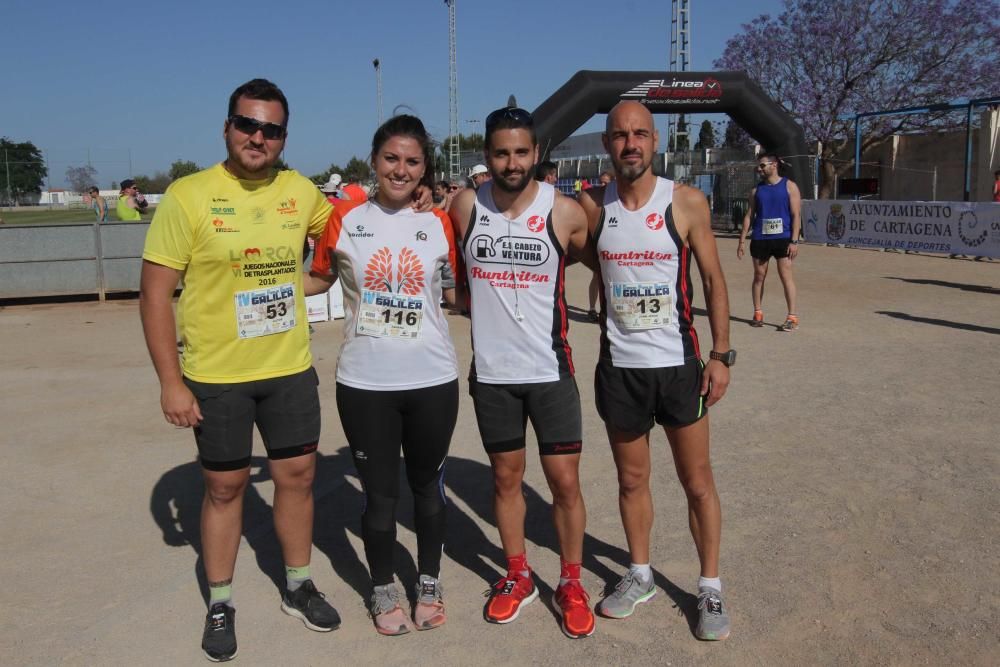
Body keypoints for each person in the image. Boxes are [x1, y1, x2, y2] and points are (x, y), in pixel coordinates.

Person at [139, 78, 342, 662]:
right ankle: (221, 599)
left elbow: (343, 229)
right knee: (225, 487)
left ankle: (298, 585)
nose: (258, 137)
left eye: (271, 129)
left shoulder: (301, 191)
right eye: (247, 125)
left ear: (284, 137)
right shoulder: (189, 194)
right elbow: (155, 295)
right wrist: (170, 381)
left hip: (287, 368)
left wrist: (420, 201)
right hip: (217, 375)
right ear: (227, 127)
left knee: (297, 478)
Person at [578, 100, 734, 641]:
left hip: (678, 368)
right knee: (631, 480)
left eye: (640, 133)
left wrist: (721, 354)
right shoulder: (592, 208)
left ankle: (709, 586)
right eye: (620, 135)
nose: (630, 144)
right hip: (621, 370)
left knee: (697, 482)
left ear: (655, 140)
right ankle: (640, 573)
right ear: (606, 144)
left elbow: (713, 281)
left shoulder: (686, 202)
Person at [306, 114, 460, 636]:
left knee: (428, 488)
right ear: (374, 160)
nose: (401, 169)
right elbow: (315, 279)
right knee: (379, 494)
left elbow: (456, 292)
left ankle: (431, 580)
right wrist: (246, 285)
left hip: (433, 379)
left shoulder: (438, 221)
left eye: (412, 161)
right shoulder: (345, 218)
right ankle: (383, 586)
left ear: (424, 169)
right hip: (365, 383)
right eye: (391, 158)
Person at [448, 106, 597, 639]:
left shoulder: (565, 212)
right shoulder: (465, 205)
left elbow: (593, 254)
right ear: (487, 156)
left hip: (549, 369)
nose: (511, 163)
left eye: (521, 152)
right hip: (492, 373)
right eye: (500, 153)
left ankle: (572, 582)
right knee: (506, 478)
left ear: (536, 154)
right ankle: (517, 577)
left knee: (564, 482)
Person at [737, 153, 802, 331]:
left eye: (762, 165)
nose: (759, 169)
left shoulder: (790, 186)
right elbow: (750, 215)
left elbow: (796, 215)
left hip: (783, 239)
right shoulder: (756, 191)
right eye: (758, 166)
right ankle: (758, 313)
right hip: (760, 239)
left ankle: (792, 317)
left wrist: (794, 241)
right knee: (759, 276)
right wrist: (742, 240)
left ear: (774, 165)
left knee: (785, 276)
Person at [586, 171, 616, 321]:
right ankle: (592, 309)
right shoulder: (595, 202)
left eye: (605, 182)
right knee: (596, 276)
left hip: (616, 249)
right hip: (599, 246)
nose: (601, 185)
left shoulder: (616, 201)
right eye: (600, 182)